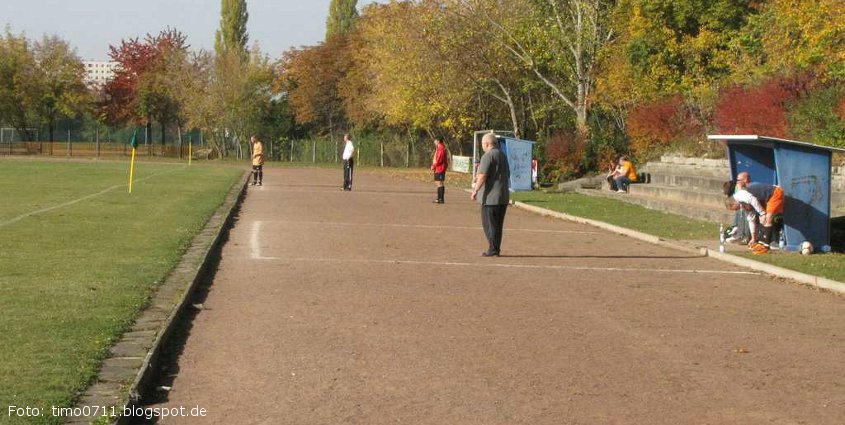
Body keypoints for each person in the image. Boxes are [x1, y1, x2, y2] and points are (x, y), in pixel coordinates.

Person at [471, 133, 510, 257]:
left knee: (489, 224)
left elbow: (482, 176)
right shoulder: (503, 155)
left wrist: (475, 190)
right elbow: (507, 174)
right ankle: (495, 248)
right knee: (498, 225)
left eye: (482, 144)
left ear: (487, 144)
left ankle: (493, 249)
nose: (482, 146)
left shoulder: (487, 156)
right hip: (503, 196)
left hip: (490, 198)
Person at [724, 174, 784, 254]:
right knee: (763, 220)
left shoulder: (739, 195)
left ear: (734, 203)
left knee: (767, 218)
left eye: (736, 208)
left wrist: (762, 213)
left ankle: (765, 246)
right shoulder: (743, 204)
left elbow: (753, 200)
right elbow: (751, 220)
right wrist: (753, 238)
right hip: (768, 198)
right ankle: (762, 243)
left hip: (775, 193)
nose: (738, 209)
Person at [431, 137, 449, 203]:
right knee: (438, 182)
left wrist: (434, 165)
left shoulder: (441, 148)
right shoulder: (439, 148)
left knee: (440, 183)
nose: (434, 142)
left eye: (435, 141)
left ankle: (441, 199)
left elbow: (439, 159)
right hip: (438, 168)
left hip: (440, 168)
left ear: (438, 141)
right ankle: (439, 198)